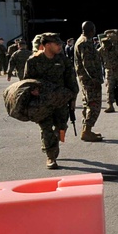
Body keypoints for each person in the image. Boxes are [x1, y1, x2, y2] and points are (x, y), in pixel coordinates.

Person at [25, 32, 78, 169]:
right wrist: (32, 89)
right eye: (57, 44)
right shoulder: (33, 61)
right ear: (47, 45)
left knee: (61, 127)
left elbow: (70, 80)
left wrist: (73, 98)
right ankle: (51, 156)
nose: (60, 46)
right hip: (43, 103)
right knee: (46, 128)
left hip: (61, 101)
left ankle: (55, 139)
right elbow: (26, 81)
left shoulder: (63, 60)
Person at [74, 21, 105, 142]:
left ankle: (86, 129)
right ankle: (87, 130)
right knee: (94, 105)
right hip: (90, 81)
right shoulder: (85, 43)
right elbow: (88, 64)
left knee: (88, 103)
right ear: (91, 30)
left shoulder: (80, 40)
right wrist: (95, 79)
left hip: (85, 80)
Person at [98, 29, 118, 113]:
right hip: (109, 71)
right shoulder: (102, 50)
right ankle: (110, 105)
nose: (106, 48)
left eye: (107, 46)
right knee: (109, 88)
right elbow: (97, 59)